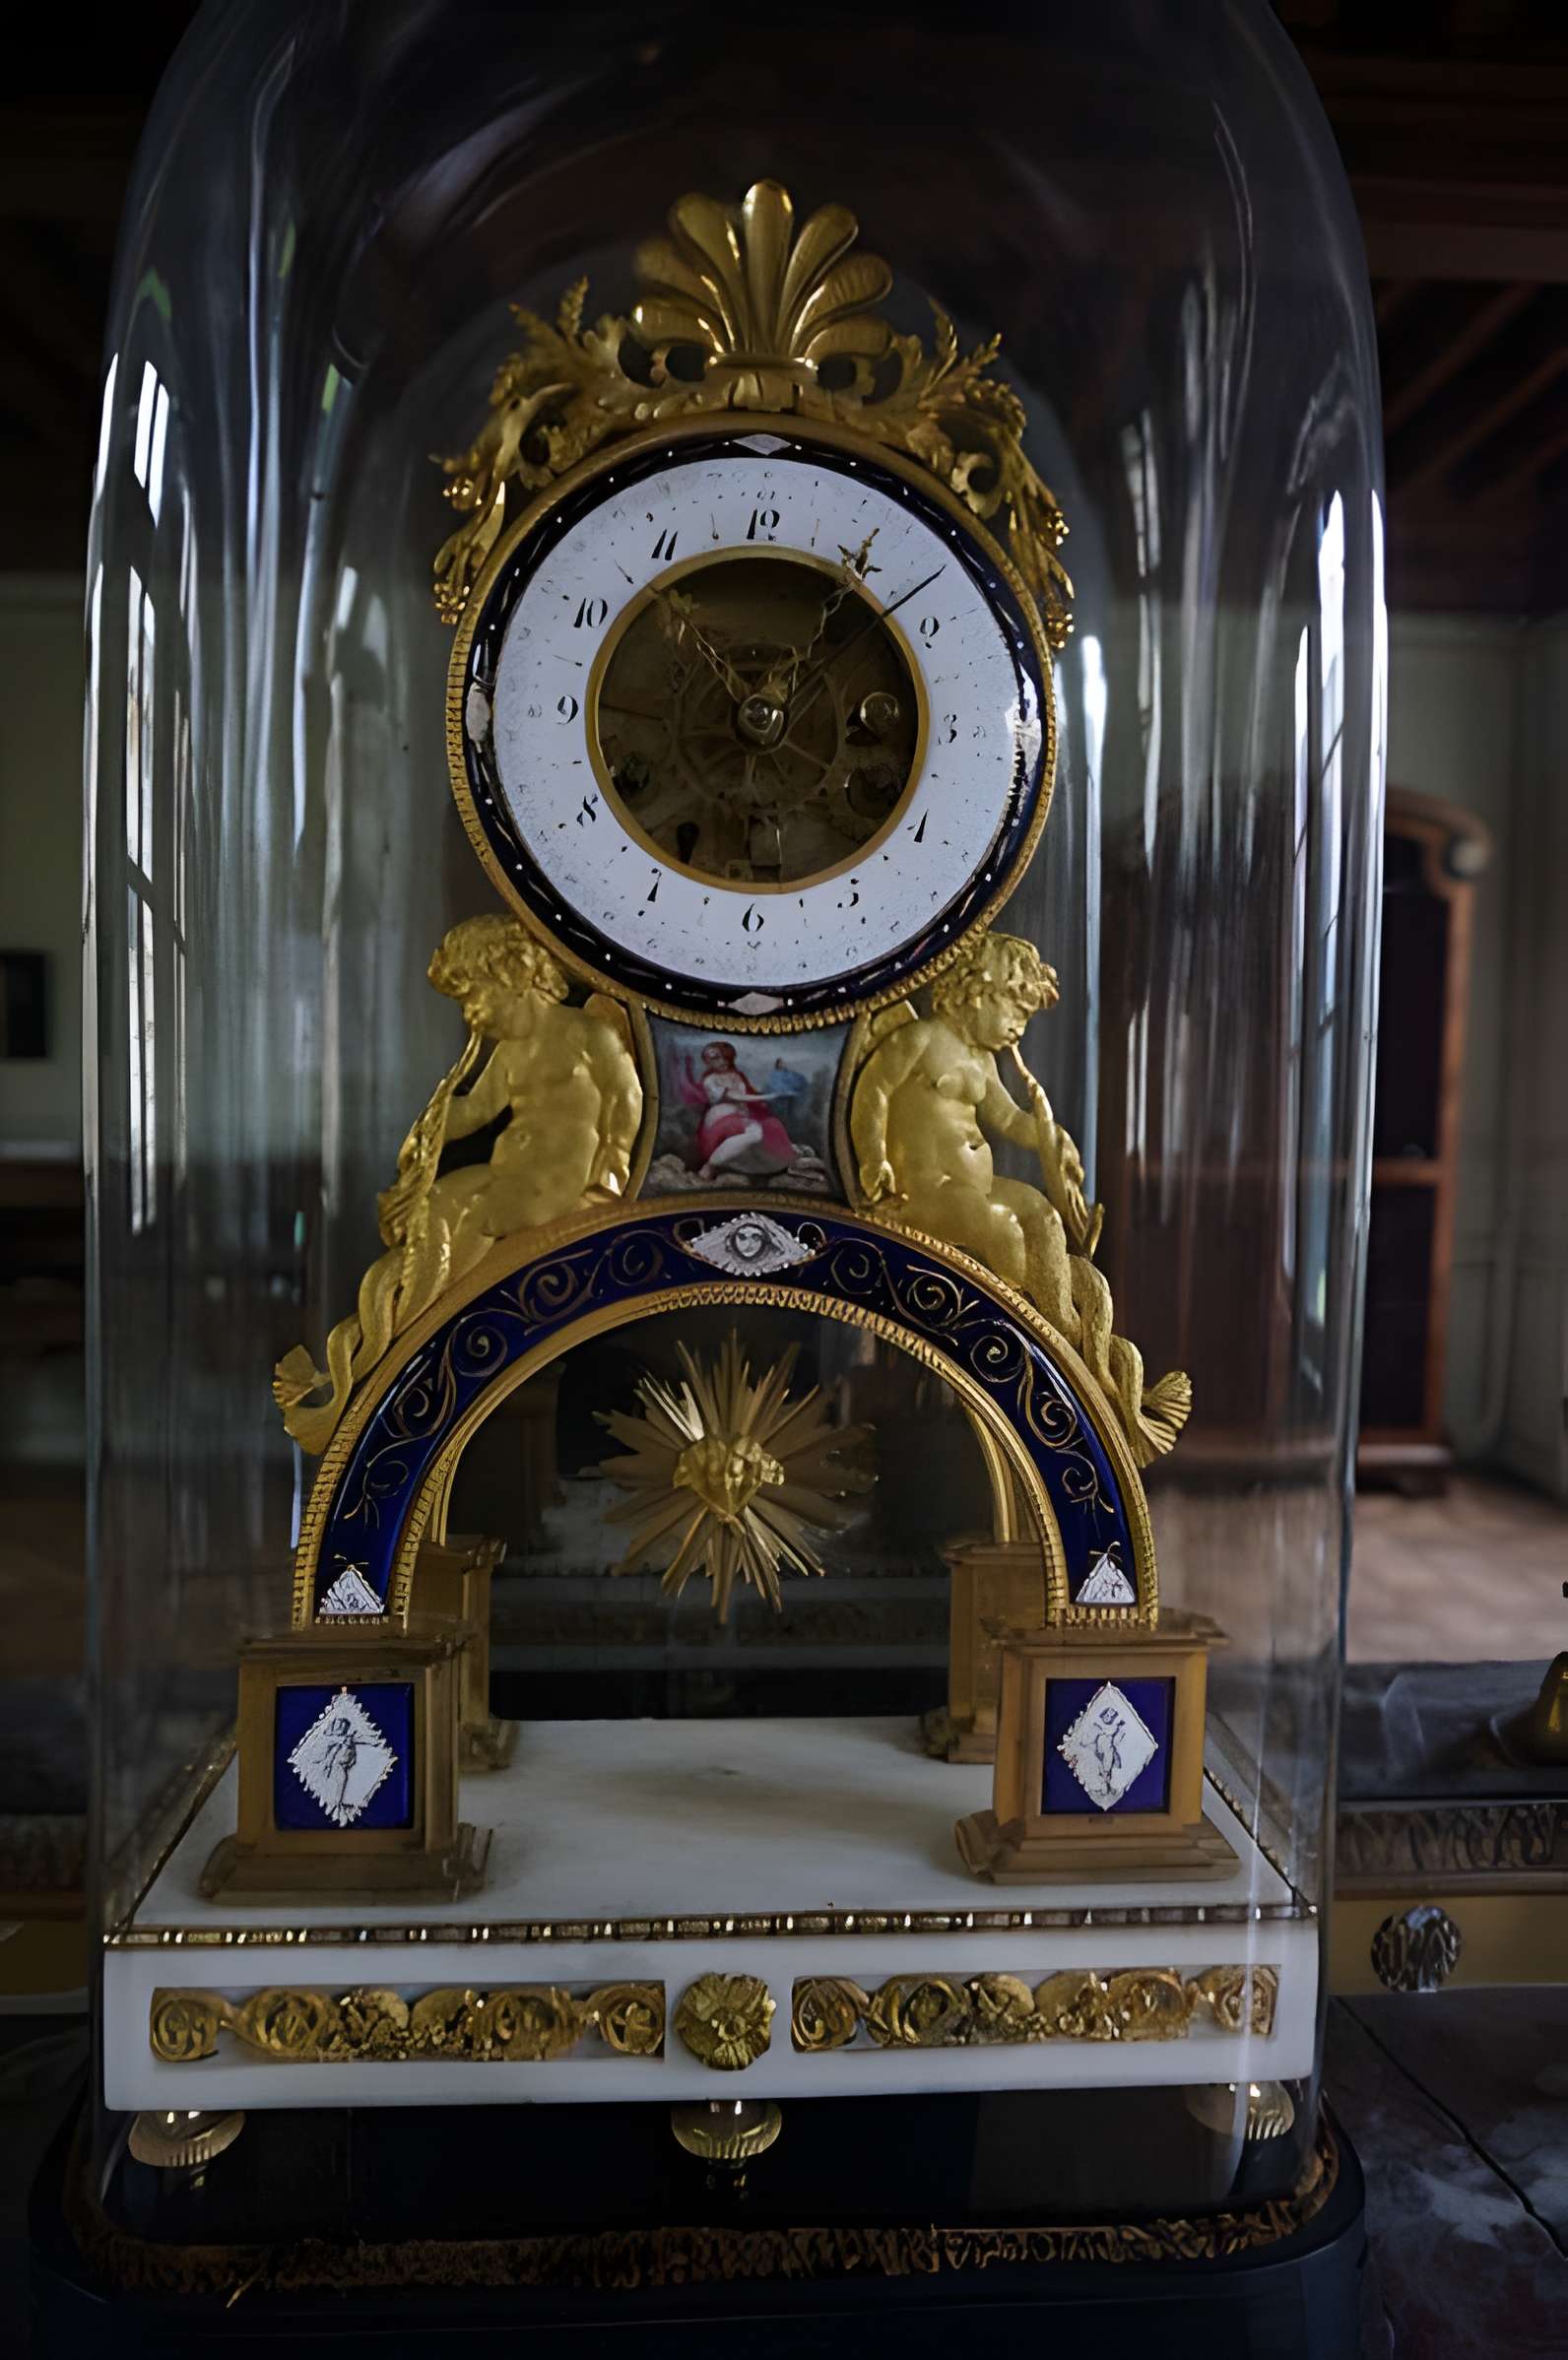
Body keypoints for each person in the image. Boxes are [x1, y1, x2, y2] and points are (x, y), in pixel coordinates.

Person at [274, 915, 642, 1454]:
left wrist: (609, 1178)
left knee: (448, 1213)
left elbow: (625, 1100)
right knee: (427, 1228)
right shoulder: (511, 1052)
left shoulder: (584, 1033)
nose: (472, 1013)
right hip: (511, 1181)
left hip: (557, 1190)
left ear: (516, 975)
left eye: (476, 996)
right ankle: (377, 1348)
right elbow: (479, 1109)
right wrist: (437, 1121)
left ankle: (397, 1348)